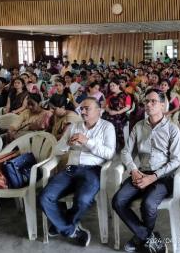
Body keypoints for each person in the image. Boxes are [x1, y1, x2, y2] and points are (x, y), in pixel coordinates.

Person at [112, 89, 180, 253]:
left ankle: (140, 237)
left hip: (162, 176)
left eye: (153, 101)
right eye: (146, 102)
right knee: (118, 201)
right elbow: (125, 152)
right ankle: (148, 237)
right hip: (141, 172)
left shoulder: (172, 129)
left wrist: (154, 177)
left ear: (163, 105)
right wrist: (134, 170)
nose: (148, 105)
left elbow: (176, 160)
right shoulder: (138, 126)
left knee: (148, 204)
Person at [40, 97, 116, 247]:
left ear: (98, 111)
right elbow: (57, 150)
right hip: (71, 169)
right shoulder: (74, 126)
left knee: (83, 200)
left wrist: (87, 141)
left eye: (87, 108)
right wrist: (67, 144)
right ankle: (71, 230)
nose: (83, 111)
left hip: (92, 170)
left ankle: (63, 223)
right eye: (82, 108)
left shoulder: (107, 127)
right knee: (44, 197)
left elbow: (110, 154)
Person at [102, 79, 132, 152]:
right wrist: (109, 111)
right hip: (110, 113)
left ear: (118, 86)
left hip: (121, 114)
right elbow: (106, 106)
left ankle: (117, 143)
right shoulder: (110, 96)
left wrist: (117, 112)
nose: (111, 87)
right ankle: (106, 142)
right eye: (110, 86)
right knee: (103, 120)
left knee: (114, 121)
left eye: (113, 85)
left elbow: (127, 107)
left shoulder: (125, 95)